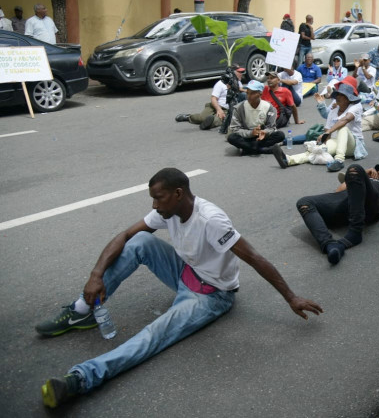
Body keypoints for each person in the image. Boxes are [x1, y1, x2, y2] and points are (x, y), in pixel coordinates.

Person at [37, 168, 322, 408]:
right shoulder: (168, 212)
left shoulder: (211, 220)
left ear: (178, 194)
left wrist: (291, 297)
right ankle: (83, 310)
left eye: (158, 198)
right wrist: (96, 274)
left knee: (154, 333)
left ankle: (83, 377)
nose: (154, 206)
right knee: (138, 242)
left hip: (212, 295)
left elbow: (254, 258)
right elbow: (125, 235)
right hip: (186, 273)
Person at [296, 163, 379, 265]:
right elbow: (339, 190)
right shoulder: (367, 179)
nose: (378, 172)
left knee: (354, 168)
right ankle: (330, 245)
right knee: (304, 202)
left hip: (372, 203)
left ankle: (355, 233)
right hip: (345, 201)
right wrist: (362, 175)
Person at [273, 77, 364, 172]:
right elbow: (327, 130)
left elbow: (345, 119)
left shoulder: (356, 107)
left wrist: (328, 131)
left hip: (352, 144)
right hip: (336, 141)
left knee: (343, 128)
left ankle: (339, 160)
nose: (337, 97)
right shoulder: (334, 111)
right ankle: (288, 160)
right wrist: (323, 143)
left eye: (341, 95)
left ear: (348, 98)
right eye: (337, 94)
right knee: (317, 151)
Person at [226, 80, 285, 155]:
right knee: (231, 137)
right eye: (247, 93)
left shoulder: (269, 107)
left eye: (253, 93)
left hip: (261, 137)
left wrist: (264, 132)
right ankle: (261, 149)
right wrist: (251, 133)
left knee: (280, 135)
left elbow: (271, 127)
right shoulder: (239, 108)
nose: (249, 96)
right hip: (246, 137)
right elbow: (235, 129)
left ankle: (249, 149)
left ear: (260, 94)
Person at [175, 67, 245, 129]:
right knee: (201, 117)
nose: (241, 74)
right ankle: (188, 117)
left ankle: (206, 124)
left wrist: (250, 91)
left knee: (218, 120)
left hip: (226, 109)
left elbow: (240, 89)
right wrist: (219, 110)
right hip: (214, 105)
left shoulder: (238, 82)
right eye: (239, 72)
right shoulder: (220, 84)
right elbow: (213, 98)